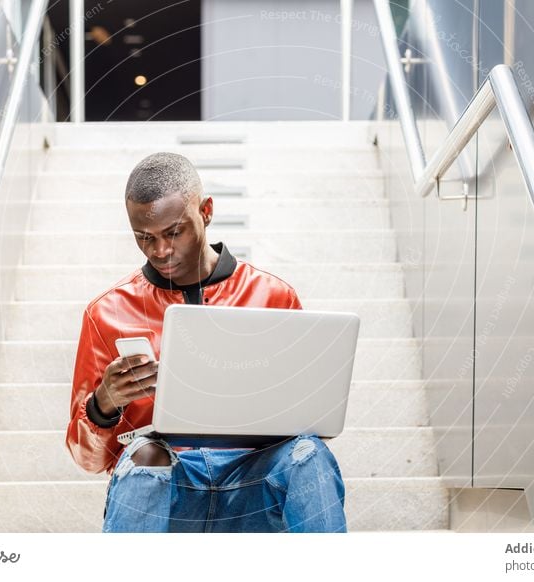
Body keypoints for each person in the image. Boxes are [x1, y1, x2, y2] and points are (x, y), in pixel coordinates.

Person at [65, 152, 347, 532]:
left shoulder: (275, 297)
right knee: (145, 455)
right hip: (168, 492)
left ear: (207, 211)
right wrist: (103, 405)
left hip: (255, 489)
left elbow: (309, 418)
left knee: (309, 455)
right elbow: (88, 459)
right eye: (144, 238)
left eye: (174, 232)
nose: (160, 251)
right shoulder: (106, 314)